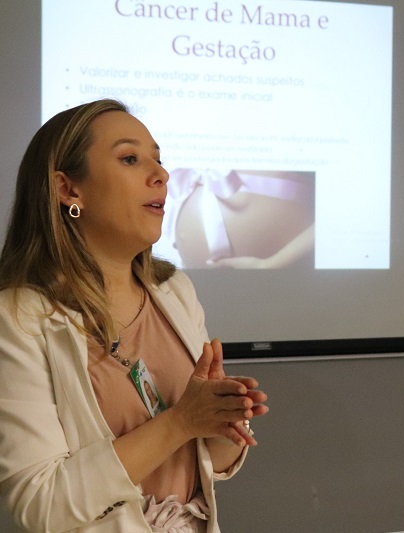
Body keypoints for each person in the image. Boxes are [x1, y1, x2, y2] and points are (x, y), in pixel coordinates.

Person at [0, 99, 269, 532]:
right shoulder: (17, 318)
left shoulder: (174, 291)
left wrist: (221, 422)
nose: (161, 175)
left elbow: (206, 469)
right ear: (68, 190)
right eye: (130, 159)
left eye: (159, 160)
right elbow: (41, 505)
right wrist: (180, 422)